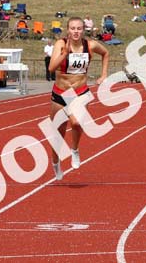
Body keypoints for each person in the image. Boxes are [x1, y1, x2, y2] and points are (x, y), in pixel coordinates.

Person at [47, 17, 109, 180]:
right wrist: (64, 54)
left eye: (79, 28)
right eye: (73, 28)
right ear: (68, 30)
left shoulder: (90, 45)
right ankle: (55, 163)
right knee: (58, 135)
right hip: (60, 92)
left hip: (80, 91)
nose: (76, 31)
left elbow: (106, 53)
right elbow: (51, 68)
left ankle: (74, 150)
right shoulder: (61, 44)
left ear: (84, 30)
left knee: (76, 122)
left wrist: (104, 75)